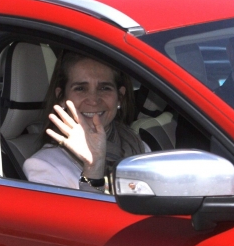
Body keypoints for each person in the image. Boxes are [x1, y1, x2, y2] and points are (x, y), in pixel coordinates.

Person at [23, 51, 148, 193]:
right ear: (61, 98)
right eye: (81, 88)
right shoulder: (44, 165)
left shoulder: (138, 146)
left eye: (104, 88)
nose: (93, 100)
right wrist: (93, 168)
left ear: (120, 97)